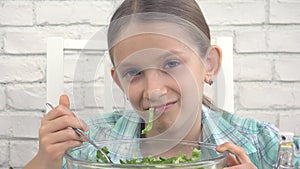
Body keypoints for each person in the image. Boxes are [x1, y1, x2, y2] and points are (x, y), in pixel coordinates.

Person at [24, 0, 299, 169]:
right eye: (133, 72)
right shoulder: (87, 147)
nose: (153, 90)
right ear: (118, 81)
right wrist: (45, 161)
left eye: (171, 64)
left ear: (209, 65)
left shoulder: (263, 144)